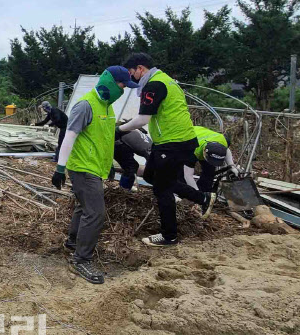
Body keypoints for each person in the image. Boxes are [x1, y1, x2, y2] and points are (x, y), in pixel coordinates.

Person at [118, 53, 216, 247]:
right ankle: (202, 197)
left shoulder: (154, 85)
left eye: (132, 73)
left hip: (173, 143)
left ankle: (169, 235)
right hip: (170, 141)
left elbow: (143, 119)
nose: (132, 78)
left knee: (162, 188)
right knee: (151, 175)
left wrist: (119, 130)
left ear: (140, 68)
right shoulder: (166, 80)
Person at [52, 66, 139, 284]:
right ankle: (81, 259)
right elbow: (69, 137)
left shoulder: (108, 108)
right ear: (110, 82)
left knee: (84, 207)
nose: (123, 91)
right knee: (96, 213)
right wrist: (60, 168)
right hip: (82, 167)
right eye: (122, 86)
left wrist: (108, 164)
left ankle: (73, 241)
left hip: (95, 167)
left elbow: (105, 139)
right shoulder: (85, 105)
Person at [184, 126, 238, 192]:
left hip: (203, 136)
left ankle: (205, 191)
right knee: (180, 174)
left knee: (209, 170)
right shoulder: (192, 152)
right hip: (185, 137)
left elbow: (226, 150)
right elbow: (187, 175)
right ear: (204, 154)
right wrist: (197, 194)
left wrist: (232, 166)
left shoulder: (224, 140)